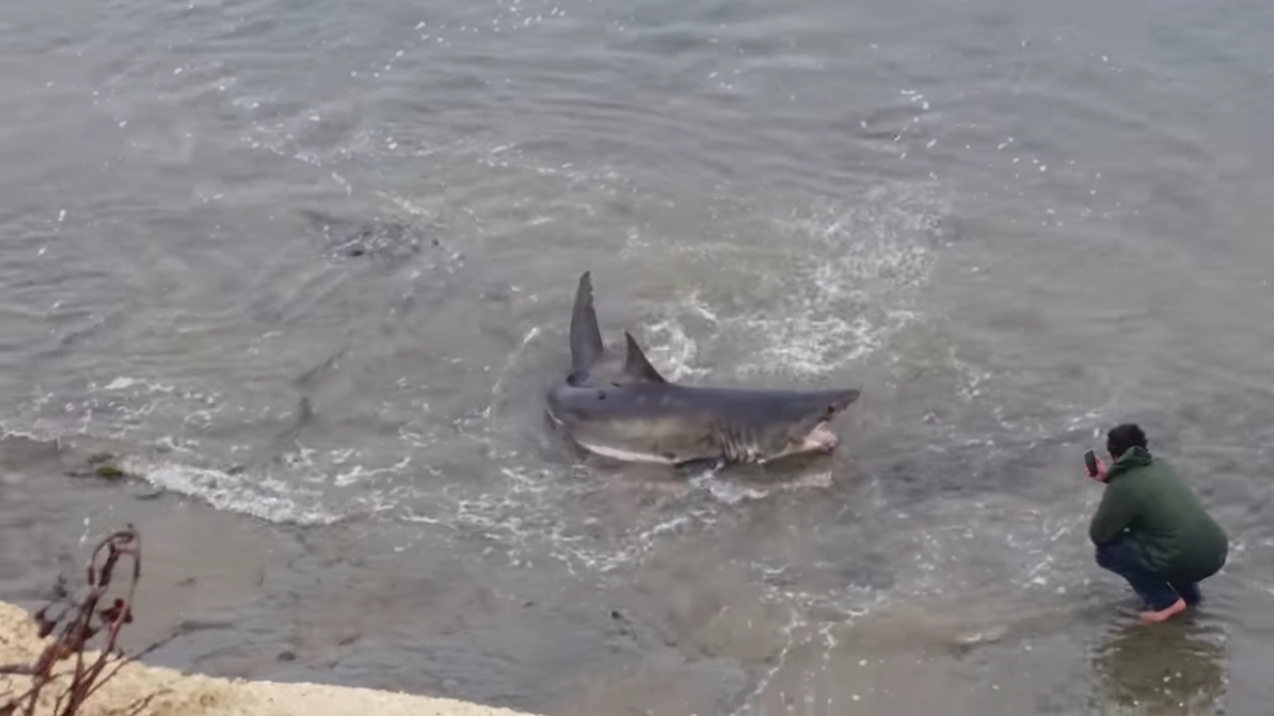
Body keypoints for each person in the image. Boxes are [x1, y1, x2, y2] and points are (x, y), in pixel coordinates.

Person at [1086, 423, 1228, 623]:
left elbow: (1099, 535)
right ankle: (1189, 597)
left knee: (1108, 551)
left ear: (1113, 455)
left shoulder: (1122, 487)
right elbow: (1141, 490)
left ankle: (1166, 602)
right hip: (1215, 551)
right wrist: (1109, 478)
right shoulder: (1161, 466)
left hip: (1182, 555)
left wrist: (1113, 483)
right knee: (1168, 536)